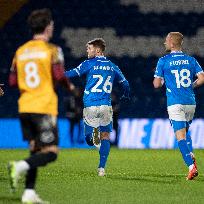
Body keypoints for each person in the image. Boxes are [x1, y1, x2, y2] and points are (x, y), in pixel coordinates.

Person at [8, 8, 74, 203]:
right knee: (51, 152)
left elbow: (12, 81)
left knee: (36, 149)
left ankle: (29, 192)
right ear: (47, 27)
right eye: (51, 24)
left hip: (25, 106)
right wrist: (70, 87)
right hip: (43, 106)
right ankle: (18, 166)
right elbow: (59, 76)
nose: (52, 26)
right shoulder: (52, 50)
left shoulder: (20, 51)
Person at [65, 38, 130, 176]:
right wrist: (126, 95)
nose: (87, 51)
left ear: (98, 50)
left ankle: (94, 137)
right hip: (106, 106)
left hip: (90, 105)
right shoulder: (113, 66)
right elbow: (125, 84)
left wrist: (57, 75)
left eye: (89, 48)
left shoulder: (88, 63)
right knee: (106, 136)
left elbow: (72, 73)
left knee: (89, 139)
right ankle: (101, 168)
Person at [153, 32, 204, 180]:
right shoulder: (191, 60)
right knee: (186, 132)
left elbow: (157, 84)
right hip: (190, 102)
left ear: (172, 43)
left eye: (166, 41)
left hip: (175, 103)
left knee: (180, 137)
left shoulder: (164, 61)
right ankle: (191, 154)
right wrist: (191, 86)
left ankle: (191, 166)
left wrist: (162, 81)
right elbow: (202, 78)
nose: (164, 43)